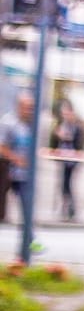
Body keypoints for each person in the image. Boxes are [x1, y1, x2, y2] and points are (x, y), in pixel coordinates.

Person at [52, 100, 84, 221]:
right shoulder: (62, 125)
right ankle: (65, 208)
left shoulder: (77, 127)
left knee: (68, 184)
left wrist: (65, 137)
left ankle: (71, 209)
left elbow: (79, 143)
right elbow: (55, 142)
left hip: (73, 160)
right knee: (63, 184)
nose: (65, 115)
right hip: (63, 159)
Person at [0, 91, 31, 224]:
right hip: (7, 170)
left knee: (27, 202)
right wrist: (16, 159)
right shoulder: (8, 122)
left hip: (24, 172)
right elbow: (1, 146)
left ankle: (29, 236)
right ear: (19, 106)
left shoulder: (31, 124)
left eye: (31, 107)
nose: (30, 111)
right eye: (27, 107)